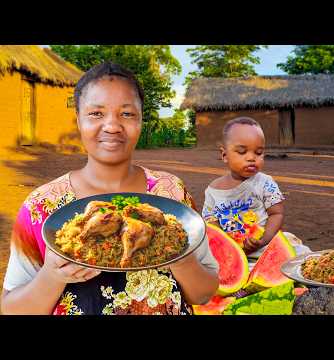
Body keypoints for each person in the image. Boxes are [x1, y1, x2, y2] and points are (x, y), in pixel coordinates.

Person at [1, 62, 219, 315]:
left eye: (127, 114)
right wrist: (51, 277)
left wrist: (179, 256)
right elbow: (11, 309)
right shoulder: (41, 206)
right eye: (96, 114)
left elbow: (204, 293)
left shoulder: (171, 192)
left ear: (140, 120)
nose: (112, 125)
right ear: (78, 121)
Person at [202, 117, 310, 262]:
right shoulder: (212, 191)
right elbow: (212, 224)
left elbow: (276, 214)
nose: (251, 158)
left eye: (258, 153)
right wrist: (228, 246)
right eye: (242, 152)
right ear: (224, 155)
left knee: (303, 254)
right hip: (231, 254)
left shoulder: (265, 183)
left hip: (266, 247)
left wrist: (264, 239)